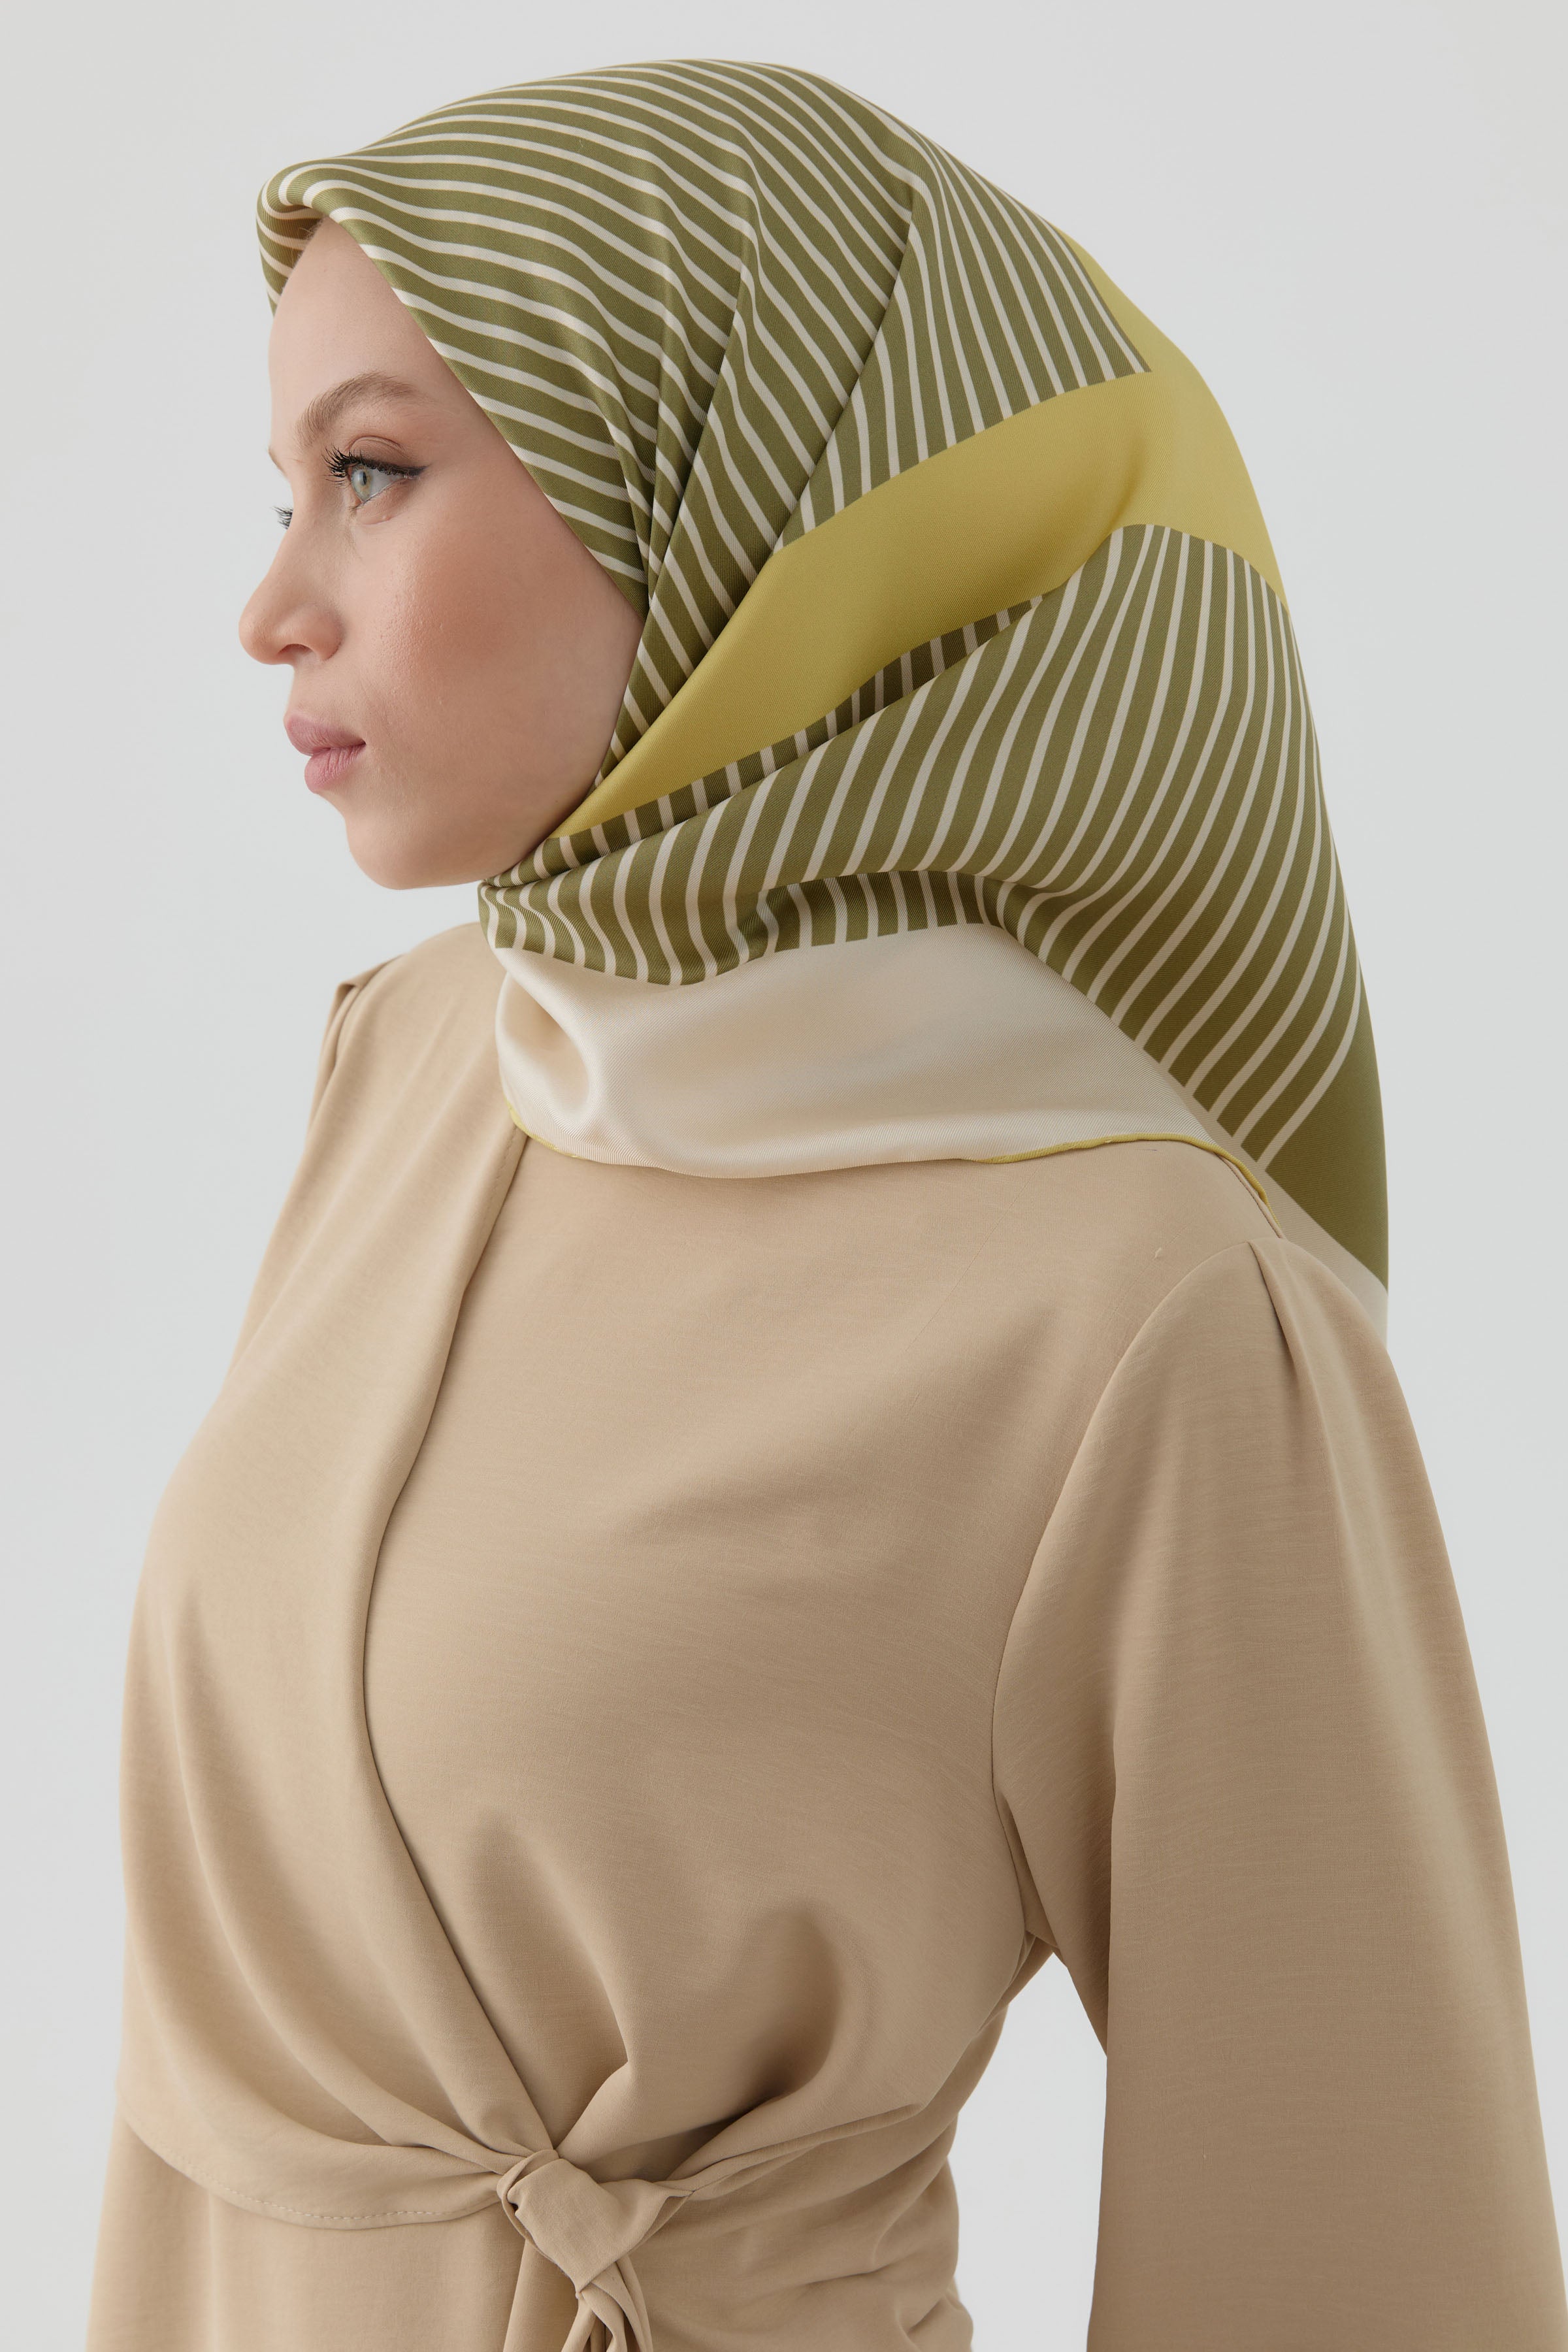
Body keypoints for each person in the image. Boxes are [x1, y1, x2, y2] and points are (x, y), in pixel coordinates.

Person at [86, 58, 1566, 2352]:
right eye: (286, 490)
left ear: (725, 493)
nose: (275, 603)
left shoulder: (1149, 1298)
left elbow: (1356, 2244)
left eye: (370, 474)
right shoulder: (413, 1063)